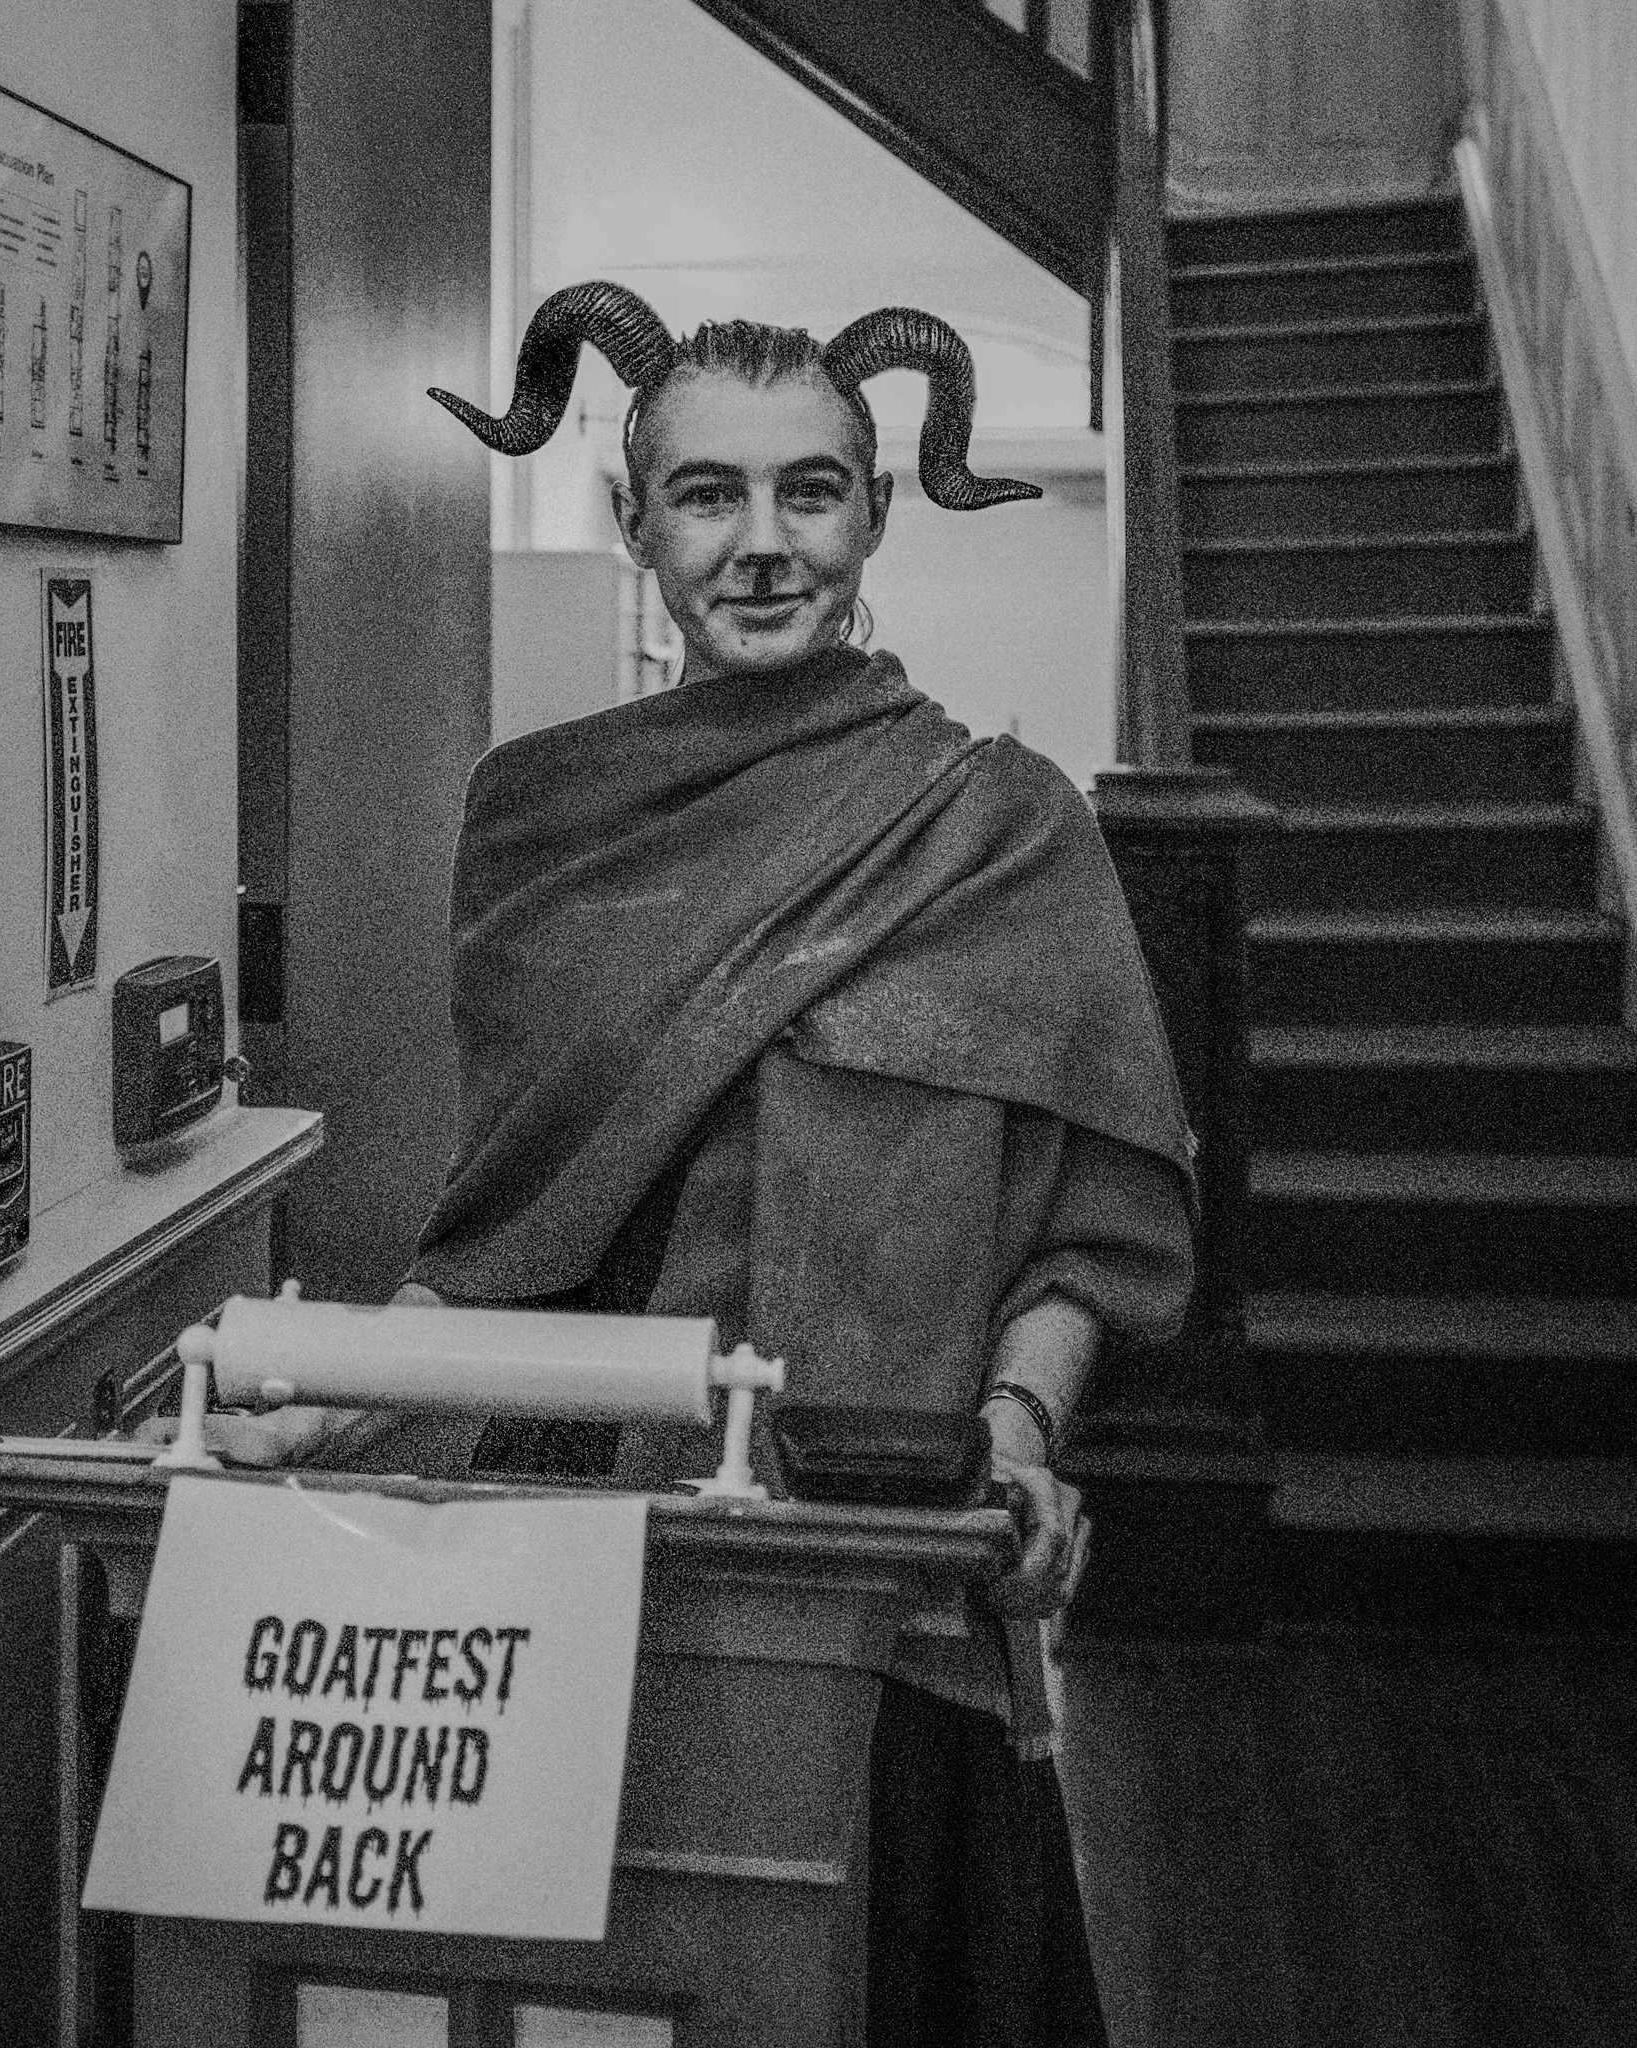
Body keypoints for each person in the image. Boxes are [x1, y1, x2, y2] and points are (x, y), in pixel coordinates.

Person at [398, 283, 1196, 2047]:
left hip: (881, 1547)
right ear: (635, 523)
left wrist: (1021, 1428)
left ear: (875, 511)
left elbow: (1091, 1224)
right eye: (707, 495)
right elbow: (515, 1218)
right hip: (577, 1547)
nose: (762, 546)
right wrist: (332, 1389)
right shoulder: (538, 819)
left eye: (811, 492)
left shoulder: (1004, 825)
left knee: (884, 1983)